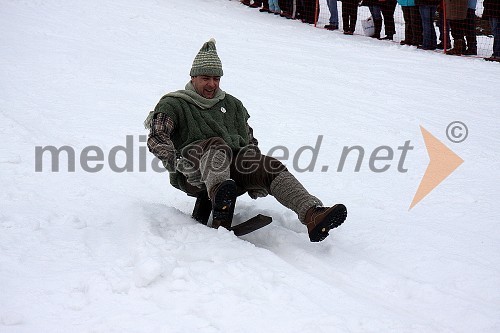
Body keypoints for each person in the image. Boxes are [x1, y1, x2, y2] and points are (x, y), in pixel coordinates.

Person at [145, 39, 348, 242]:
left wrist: (256, 174)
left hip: (232, 174)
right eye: (206, 78)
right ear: (193, 77)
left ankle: (312, 214)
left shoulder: (233, 105)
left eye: (216, 79)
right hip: (193, 173)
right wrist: (177, 163)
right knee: (216, 145)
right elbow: (156, 137)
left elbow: (250, 141)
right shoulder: (174, 103)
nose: (212, 84)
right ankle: (220, 197)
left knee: (269, 165)